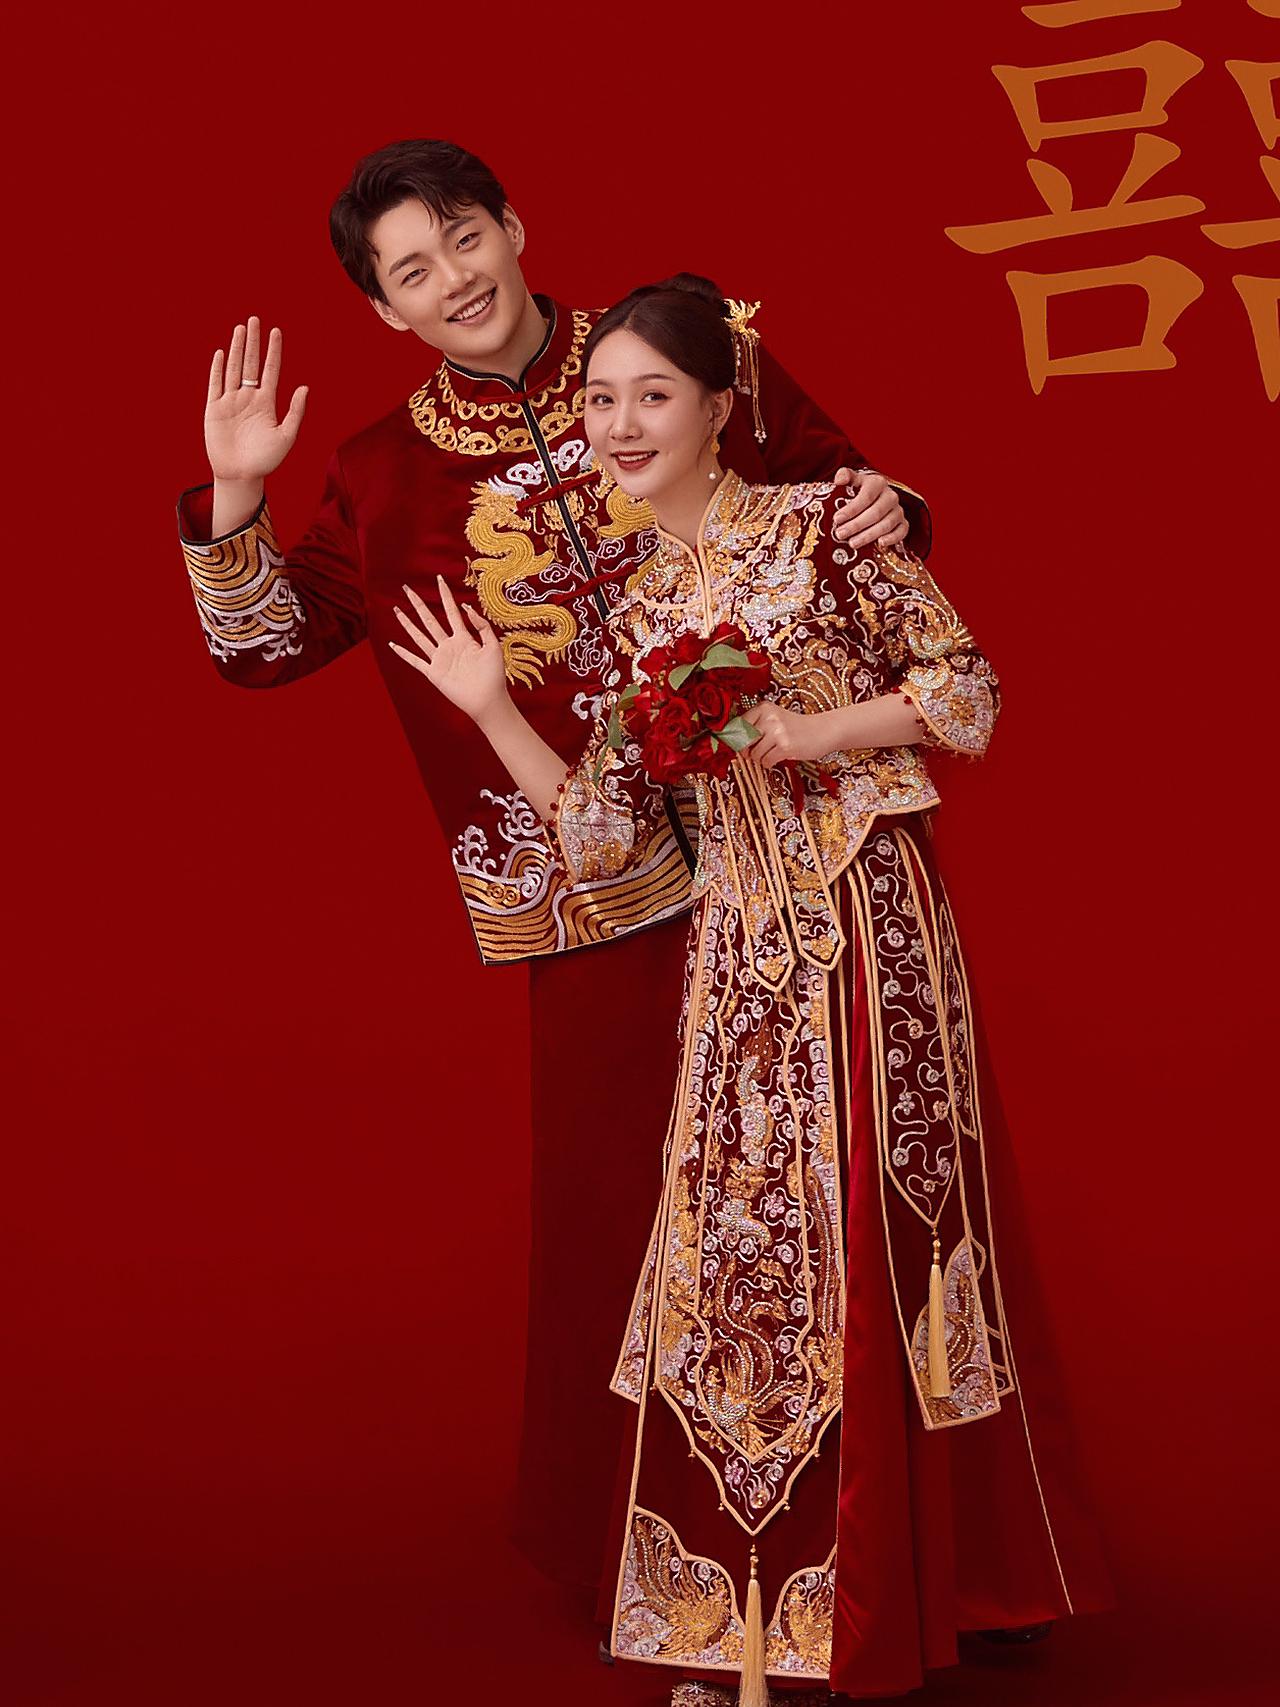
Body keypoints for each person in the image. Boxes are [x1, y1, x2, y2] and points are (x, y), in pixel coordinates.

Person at [176, 138, 930, 1598]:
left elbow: (849, 504)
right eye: (411, 271)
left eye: (464, 237)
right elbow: (264, 646)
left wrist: (888, 504)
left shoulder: (683, 350)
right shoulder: (381, 474)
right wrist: (235, 497)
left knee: (848, 1189)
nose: (453, 279)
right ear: (385, 309)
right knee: (633, 1220)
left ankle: (900, 1565)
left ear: (513, 226)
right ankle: (667, 1572)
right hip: (590, 895)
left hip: (802, 850)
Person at [389, 275, 1113, 1701]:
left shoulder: (826, 528)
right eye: (600, 401)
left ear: (723, 408)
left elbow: (966, 693)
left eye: (653, 395)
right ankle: (742, 1626)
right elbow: (602, 833)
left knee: (873, 1234)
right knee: (738, 1256)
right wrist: (490, 710)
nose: (620, 425)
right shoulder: (635, 603)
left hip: (866, 920)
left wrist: (805, 732)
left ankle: (912, 1590)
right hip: (734, 950)